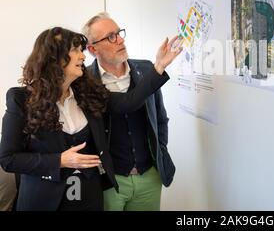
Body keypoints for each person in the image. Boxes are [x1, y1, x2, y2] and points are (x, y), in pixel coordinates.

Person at [0, 27, 181, 211]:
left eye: (82, 50)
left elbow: (128, 102)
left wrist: (159, 66)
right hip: (43, 201)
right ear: (54, 58)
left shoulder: (87, 93)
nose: (83, 56)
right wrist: (59, 161)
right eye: (76, 50)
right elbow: (8, 159)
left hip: (88, 198)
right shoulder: (21, 99)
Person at [83, 12, 176, 211]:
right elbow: (126, 103)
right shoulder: (86, 80)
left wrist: (161, 150)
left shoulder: (145, 69)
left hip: (148, 176)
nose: (120, 40)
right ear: (92, 49)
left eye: (119, 33)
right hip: (110, 181)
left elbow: (160, 117)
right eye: (110, 37)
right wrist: (159, 67)